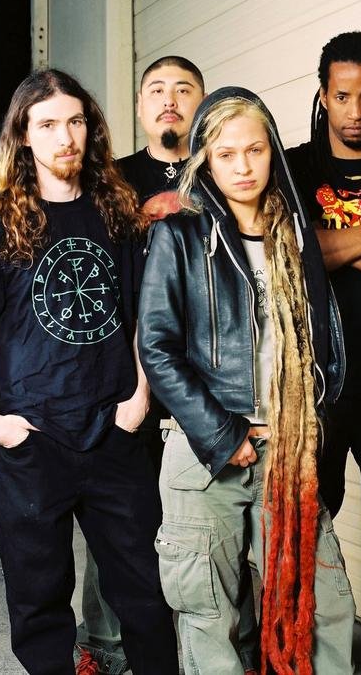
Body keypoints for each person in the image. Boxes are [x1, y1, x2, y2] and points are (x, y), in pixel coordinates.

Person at [138, 86, 356, 674]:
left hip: (288, 448)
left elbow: (323, 339)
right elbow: (157, 347)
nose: (242, 166)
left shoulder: (296, 235)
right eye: (226, 153)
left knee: (321, 603)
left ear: (272, 152)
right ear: (206, 160)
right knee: (211, 612)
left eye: (255, 150)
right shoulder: (180, 235)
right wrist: (222, 433)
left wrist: (315, 420)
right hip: (206, 454)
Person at [0, 69, 179, 675]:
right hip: (33, 437)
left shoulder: (116, 212)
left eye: (76, 122)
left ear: (91, 128)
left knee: (144, 590)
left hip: (114, 429)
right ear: (23, 135)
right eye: (48, 125)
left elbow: (141, 315)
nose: (65, 138)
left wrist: (138, 398)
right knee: (38, 601)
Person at [77, 57, 260, 674]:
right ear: (139, 105)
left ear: (203, 103)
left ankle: (231, 645)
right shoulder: (112, 178)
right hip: (128, 370)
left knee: (213, 527)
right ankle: (105, 646)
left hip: (207, 379)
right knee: (119, 519)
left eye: (184, 89)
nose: (170, 100)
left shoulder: (226, 167)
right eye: (156, 89)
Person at [286, 31, 361, 673]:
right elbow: (295, 255)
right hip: (316, 385)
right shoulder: (294, 168)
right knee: (305, 531)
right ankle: (302, 659)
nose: (355, 111)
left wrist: (333, 245)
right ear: (322, 95)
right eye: (342, 96)